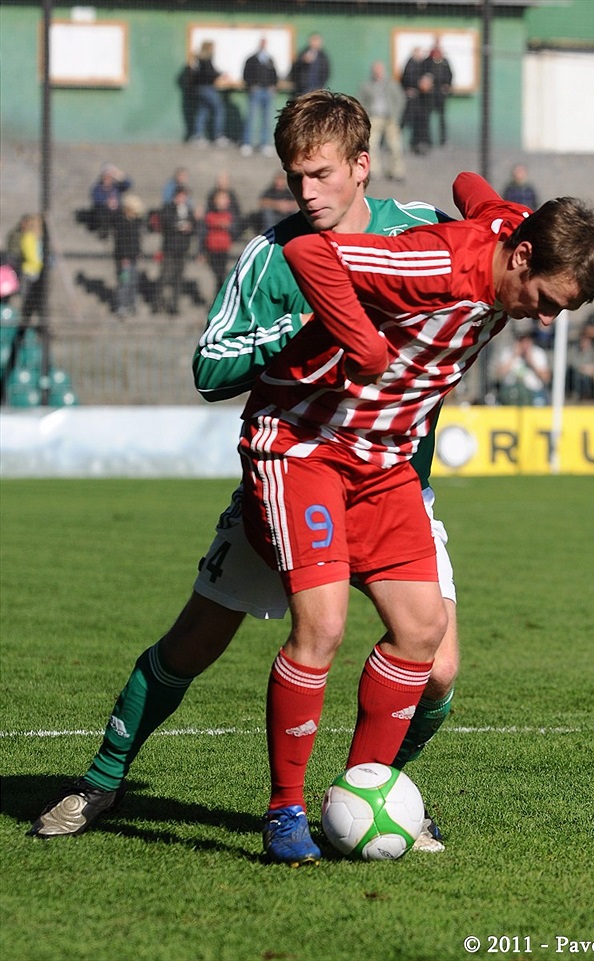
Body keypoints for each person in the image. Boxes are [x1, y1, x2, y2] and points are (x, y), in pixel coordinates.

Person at [27, 92, 458, 856]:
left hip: (392, 483)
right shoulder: (271, 257)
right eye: (295, 178)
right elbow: (209, 365)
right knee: (196, 640)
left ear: (363, 165)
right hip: (292, 479)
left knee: (438, 667)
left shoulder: (421, 232)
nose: (306, 193)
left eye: (321, 175)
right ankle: (101, 779)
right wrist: (297, 328)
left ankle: (380, 791)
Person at [239, 172, 594, 865]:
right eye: (546, 301)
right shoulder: (433, 263)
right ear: (523, 257)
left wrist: (482, 196)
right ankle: (283, 811)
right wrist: (367, 345)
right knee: (321, 624)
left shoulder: (515, 238)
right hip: (306, 443)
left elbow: (475, 190)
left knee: (422, 630)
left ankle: (356, 795)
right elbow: (312, 255)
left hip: (381, 460)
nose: (544, 318)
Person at [358, 61, 406, 182]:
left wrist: (396, 114)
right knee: (372, 145)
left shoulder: (391, 84)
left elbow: (400, 99)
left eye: (380, 70)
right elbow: (361, 101)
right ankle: (374, 170)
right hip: (374, 118)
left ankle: (396, 171)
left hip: (390, 118)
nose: (378, 73)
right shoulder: (367, 85)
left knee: (395, 146)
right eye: (376, 71)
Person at [156, 185, 197, 315]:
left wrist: (189, 227)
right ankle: (158, 303)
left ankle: (174, 305)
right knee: (165, 276)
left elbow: (194, 227)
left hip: (182, 249)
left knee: (178, 278)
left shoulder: (188, 210)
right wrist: (178, 226)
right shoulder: (168, 208)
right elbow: (165, 222)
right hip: (169, 248)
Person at [494, 325, 551, 406]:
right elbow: (499, 375)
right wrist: (513, 356)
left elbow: (546, 378)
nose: (524, 344)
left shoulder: (538, 353)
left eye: (527, 341)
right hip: (511, 392)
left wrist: (531, 362)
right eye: (522, 340)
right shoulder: (508, 352)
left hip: (534, 392)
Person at [189, 41, 231, 147]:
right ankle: (218, 135)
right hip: (206, 88)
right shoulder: (205, 59)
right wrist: (220, 74)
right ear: (208, 48)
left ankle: (197, 136)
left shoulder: (198, 59)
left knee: (203, 111)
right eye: (213, 47)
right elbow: (208, 73)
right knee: (219, 109)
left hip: (200, 88)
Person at [241, 38, 278, 158]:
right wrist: (251, 85)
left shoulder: (270, 59)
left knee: (267, 119)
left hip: (267, 92)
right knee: (251, 117)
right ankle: (247, 143)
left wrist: (273, 85)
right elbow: (245, 74)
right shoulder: (251, 59)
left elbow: (275, 75)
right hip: (256, 92)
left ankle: (264, 144)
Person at [112, 193, 144, 318]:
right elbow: (120, 242)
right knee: (124, 282)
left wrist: (138, 252)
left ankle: (132, 304)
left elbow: (137, 240)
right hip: (124, 258)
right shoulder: (121, 222)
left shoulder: (135, 222)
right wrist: (123, 257)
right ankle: (121, 305)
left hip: (133, 257)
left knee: (133, 282)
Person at [203, 189, 235, 297]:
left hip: (224, 248)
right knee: (217, 275)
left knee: (222, 275)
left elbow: (235, 228)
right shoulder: (210, 214)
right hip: (213, 249)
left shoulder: (230, 215)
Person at [421, 42, 452, 146]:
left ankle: (443, 140)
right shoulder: (427, 62)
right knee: (427, 117)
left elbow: (450, 75)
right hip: (430, 95)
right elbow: (423, 76)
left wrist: (447, 85)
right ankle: (427, 140)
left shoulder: (445, 62)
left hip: (441, 95)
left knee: (442, 118)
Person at [90, 163, 133, 240]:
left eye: (110, 176)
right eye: (106, 175)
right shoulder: (98, 188)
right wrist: (107, 203)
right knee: (104, 213)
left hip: (117, 211)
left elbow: (129, 184)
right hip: (104, 212)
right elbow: (96, 199)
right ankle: (104, 233)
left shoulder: (116, 187)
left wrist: (119, 175)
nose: (108, 178)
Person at [566, 331, 594, 402]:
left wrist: (593, 371)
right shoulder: (574, 351)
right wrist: (585, 369)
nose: (584, 342)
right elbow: (573, 364)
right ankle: (581, 396)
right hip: (579, 375)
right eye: (583, 340)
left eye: (586, 340)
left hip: (592, 375)